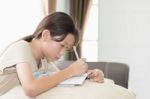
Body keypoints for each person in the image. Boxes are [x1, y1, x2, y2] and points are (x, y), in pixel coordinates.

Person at [0, 12, 104, 97]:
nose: (63, 53)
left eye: (67, 49)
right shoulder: (21, 47)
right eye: (62, 45)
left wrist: (90, 74)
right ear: (45, 35)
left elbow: (60, 77)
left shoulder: (44, 61)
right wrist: (71, 70)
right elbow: (31, 89)